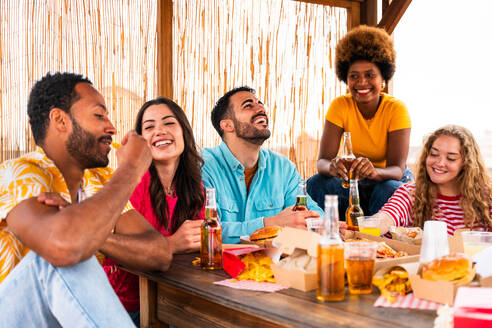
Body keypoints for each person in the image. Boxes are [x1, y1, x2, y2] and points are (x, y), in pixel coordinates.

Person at [0, 72, 172, 327]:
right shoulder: (18, 172)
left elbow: (160, 253)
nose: (111, 127)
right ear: (60, 120)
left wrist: (89, 233)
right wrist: (132, 169)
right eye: (99, 115)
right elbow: (64, 249)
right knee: (57, 258)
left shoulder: (100, 179)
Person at [103, 97, 205, 324]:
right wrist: (174, 243)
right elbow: (123, 252)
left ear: (184, 133)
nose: (159, 131)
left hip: (173, 298)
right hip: (123, 306)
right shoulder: (130, 183)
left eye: (169, 123)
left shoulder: (195, 188)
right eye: (149, 127)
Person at [307, 25, 412, 219]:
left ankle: (380, 243)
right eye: (354, 76)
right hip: (353, 181)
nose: (361, 82)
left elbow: (397, 170)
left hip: (386, 179)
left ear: (384, 78)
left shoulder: (396, 110)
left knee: (389, 189)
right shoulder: (340, 106)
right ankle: (336, 235)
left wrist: (373, 172)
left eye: (370, 75)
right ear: (346, 78)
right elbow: (322, 162)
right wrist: (333, 166)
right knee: (317, 183)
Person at [201, 86, 322, 244]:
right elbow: (206, 231)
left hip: (276, 264)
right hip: (219, 265)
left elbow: (314, 214)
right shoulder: (205, 166)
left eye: (260, 103)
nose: (261, 108)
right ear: (227, 125)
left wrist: (324, 225)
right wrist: (271, 225)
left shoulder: (283, 168)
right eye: (248, 105)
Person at [374, 125, 492, 235]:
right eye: (434, 154)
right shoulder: (410, 193)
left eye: (451, 158)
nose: (440, 163)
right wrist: (368, 226)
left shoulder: (486, 198)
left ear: (466, 163)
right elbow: (386, 217)